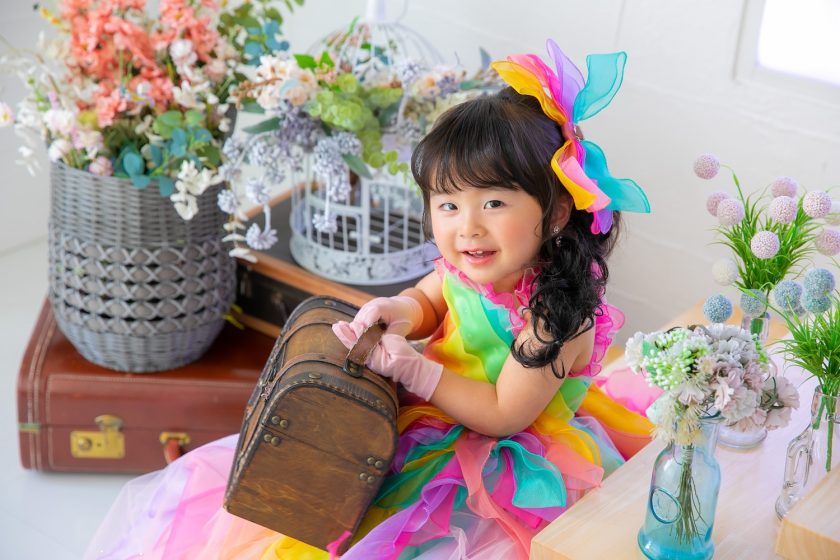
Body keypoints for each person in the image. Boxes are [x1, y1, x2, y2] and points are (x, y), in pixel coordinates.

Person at [85, 39, 653, 560]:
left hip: (508, 462)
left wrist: (418, 372)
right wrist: (397, 312)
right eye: (448, 205)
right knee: (316, 495)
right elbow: (430, 300)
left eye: (494, 203)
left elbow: (505, 413)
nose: (468, 227)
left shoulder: (558, 315)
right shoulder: (468, 267)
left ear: (555, 212)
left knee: (410, 539)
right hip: (431, 420)